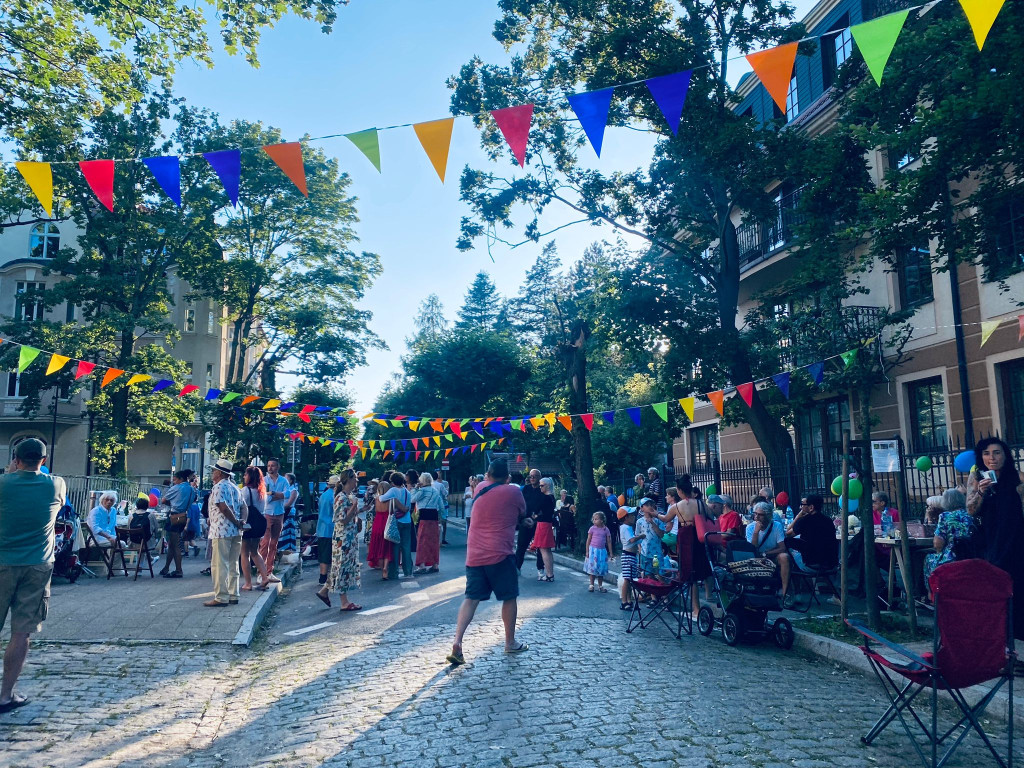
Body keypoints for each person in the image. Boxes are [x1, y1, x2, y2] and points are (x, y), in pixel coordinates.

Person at [0, 438, 67, 713]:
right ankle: (5, 695)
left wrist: (9, 474)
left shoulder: (3, 484)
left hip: (2, 560)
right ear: (43, 460)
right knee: (21, 632)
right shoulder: (56, 484)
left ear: (15, 458)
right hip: (37, 565)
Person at [447, 460, 528, 666]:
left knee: (471, 598)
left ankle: (457, 642)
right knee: (509, 597)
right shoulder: (514, 492)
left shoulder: (481, 488)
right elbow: (521, 513)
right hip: (500, 553)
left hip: (474, 554)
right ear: (508, 477)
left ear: (488, 474)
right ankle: (510, 642)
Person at [967, 436, 1024, 639]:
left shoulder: (1018, 477)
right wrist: (981, 492)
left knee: (1018, 592)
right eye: (986, 453)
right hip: (990, 545)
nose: (992, 458)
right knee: (995, 592)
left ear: (1005, 455)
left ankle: (1017, 640)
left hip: (1017, 543)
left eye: (997, 452)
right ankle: (999, 641)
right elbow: (971, 510)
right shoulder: (977, 479)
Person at [319, 469, 362, 611]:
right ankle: (344, 602)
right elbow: (342, 519)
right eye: (355, 479)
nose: (357, 481)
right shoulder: (341, 497)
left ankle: (324, 591)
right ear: (348, 480)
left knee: (340, 567)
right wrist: (355, 506)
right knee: (342, 567)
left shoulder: (347, 496)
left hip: (348, 537)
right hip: (343, 539)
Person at [924, 488, 978, 598]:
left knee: (927, 559)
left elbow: (938, 543)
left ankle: (930, 595)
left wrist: (939, 551)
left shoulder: (945, 516)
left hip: (952, 556)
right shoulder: (971, 515)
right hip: (972, 554)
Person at [204, 459, 243, 607]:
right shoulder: (235, 487)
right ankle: (234, 594)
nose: (213, 473)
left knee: (220, 565)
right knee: (233, 563)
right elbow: (244, 507)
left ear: (219, 473)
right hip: (235, 530)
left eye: (214, 470)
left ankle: (221, 597)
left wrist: (234, 521)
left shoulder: (218, 487)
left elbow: (223, 507)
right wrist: (240, 522)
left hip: (221, 530)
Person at [240, 466, 278, 592]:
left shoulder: (245, 491)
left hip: (248, 524)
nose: (244, 476)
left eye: (246, 474)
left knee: (244, 553)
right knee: (255, 551)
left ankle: (248, 583)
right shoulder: (262, 492)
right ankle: (264, 576)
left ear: (250, 477)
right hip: (260, 523)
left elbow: (241, 507)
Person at [746, 501, 790, 599]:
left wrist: (766, 553)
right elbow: (752, 548)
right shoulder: (750, 527)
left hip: (771, 555)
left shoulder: (776, 525)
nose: (756, 517)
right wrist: (756, 532)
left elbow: (782, 548)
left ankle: (785, 592)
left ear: (768, 515)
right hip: (757, 558)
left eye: (760, 515)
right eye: (755, 514)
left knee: (784, 557)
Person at [785, 494, 838, 573]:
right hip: (831, 565)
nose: (801, 508)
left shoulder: (804, 521)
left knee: (787, 544)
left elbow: (787, 534)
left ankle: (798, 583)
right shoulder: (828, 520)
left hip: (811, 566)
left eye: (803, 505)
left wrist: (797, 517)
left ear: (811, 507)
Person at [160, 470, 196, 578]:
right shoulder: (192, 490)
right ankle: (166, 567)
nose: (174, 482)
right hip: (183, 516)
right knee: (172, 543)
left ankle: (178, 570)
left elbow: (163, 500)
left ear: (181, 479)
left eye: (175, 479)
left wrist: (172, 503)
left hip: (174, 516)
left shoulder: (176, 488)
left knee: (175, 545)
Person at [378, 471, 413, 578]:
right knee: (406, 547)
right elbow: (409, 507)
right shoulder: (408, 492)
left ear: (392, 482)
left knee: (395, 547)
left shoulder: (393, 490)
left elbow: (381, 498)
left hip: (396, 521)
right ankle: (408, 571)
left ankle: (394, 572)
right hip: (407, 521)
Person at [260, 459, 289, 571]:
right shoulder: (264, 480)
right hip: (267, 512)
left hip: (279, 513)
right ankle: (261, 570)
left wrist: (272, 493)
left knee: (274, 543)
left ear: (278, 467)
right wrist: (277, 496)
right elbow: (265, 498)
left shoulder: (283, 480)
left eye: (273, 466)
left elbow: (287, 494)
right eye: (269, 466)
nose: (270, 468)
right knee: (265, 542)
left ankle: (269, 569)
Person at [412, 472, 445, 574]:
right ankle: (435, 565)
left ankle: (421, 566)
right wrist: (441, 518)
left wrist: (415, 489)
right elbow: (441, 506)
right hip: (434, 517)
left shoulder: (421, 491)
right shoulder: (435, 491)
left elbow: (412, 499)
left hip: (424, 517)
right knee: (434, 541)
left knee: (422, 541)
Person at [366, 479, 396, 579]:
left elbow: (375, 510)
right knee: (387, 547)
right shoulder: (390, 499)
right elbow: (392, 511)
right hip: (386, 522)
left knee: (379, 547)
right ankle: (386, 569)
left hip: (378, 522)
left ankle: (381, 567)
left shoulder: (376, 499)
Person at [317, 475, 340, 590]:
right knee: (330, 555)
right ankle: (326, 578)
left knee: (323, 555)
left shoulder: (323, 495)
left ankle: (322, 577)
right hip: (331, 528)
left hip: (321, 528)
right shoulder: (334, 496)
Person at [516, 469, 542, 572]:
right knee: (521, 546)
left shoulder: (542, 490)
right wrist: (523, 519)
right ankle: (517, 567)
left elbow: (545, 507)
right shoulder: (525, 489)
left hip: (538, 521)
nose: (532, 478)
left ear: (539, 478)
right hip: (525, 521)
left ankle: (541, 569)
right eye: (530, 476)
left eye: (534, 476)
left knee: (540, 547)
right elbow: (520, 504)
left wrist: (534, 519)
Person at [532, 478, 557, 581]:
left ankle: (549, 574)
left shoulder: (545, 498)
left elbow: (536, 509)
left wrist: (536, 516)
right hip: (547, 523)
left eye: (542, 485)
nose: (540, 487)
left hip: (542, 524)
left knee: (543, 550)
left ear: (547, 486)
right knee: (547, 550)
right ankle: (550, 574)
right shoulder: (552, 498)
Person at [584, 511, 614, 593]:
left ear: (602, 520)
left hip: (602, 551)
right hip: (593, 551)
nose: (594, 520)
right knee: (592, 568)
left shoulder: (606, 529)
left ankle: (600, 585)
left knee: (601, 569)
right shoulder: (592, 529)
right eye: (593, 519)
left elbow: (609, 541)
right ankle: (591, 584)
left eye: (596, 519)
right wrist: (587, 551)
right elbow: (588, 540)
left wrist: (611, 553)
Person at [617, 507, 641, 610]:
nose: (634, 517)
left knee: (630, 579)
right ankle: (624, 601)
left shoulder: (628, 528)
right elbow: (631, 540)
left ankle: (629, 600)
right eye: (631, 516)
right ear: (626, 517)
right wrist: (641, 536)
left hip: (631, 555)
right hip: (628, 556)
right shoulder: (626, 528)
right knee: (627, 579)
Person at [277, 472, 300, 558]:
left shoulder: (293, 490)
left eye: (286, 478)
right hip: (283, 511)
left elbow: (289, 503)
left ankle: (289, 550)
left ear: (290, 480)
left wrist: (280, 507)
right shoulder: (285, 489)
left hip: (288, 512)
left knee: (287, 530)